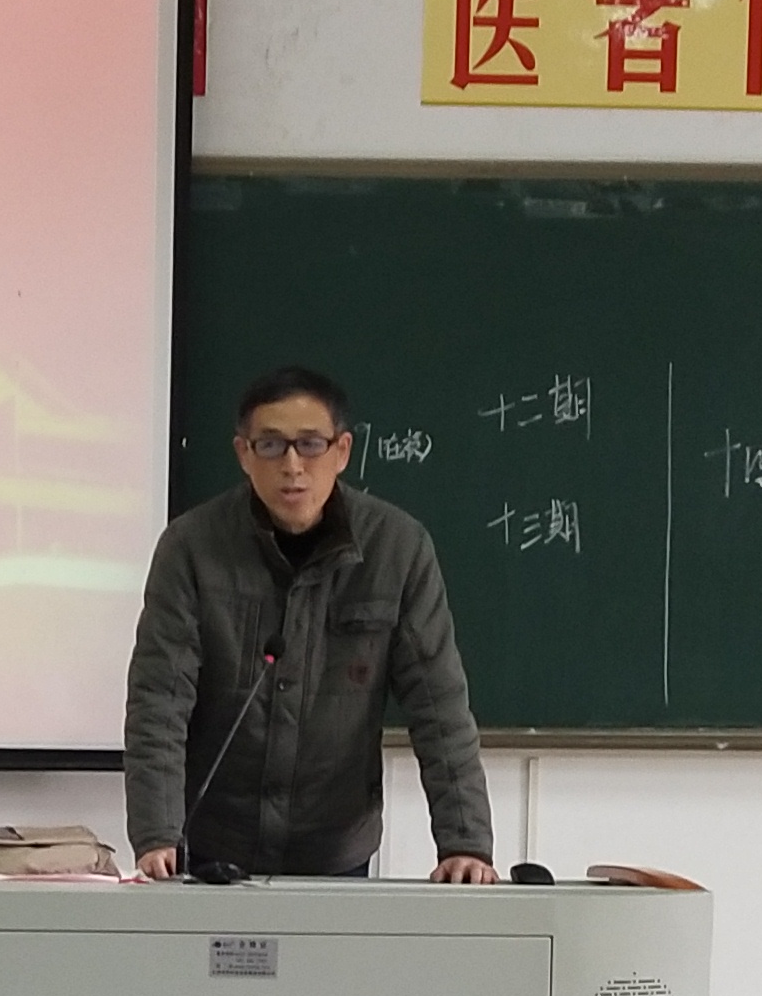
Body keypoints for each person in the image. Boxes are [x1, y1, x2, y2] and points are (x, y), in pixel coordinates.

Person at [124, 363, 496, 881]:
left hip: (335, 848)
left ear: (342, 451)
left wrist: (465, 844)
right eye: (271, 445)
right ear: (244, 454)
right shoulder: (191, 548)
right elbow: (159, 703)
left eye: (310, 444)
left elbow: (439, 707)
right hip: (213, 843)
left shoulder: (397, 549)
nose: (292, 465)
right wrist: (156, 833)